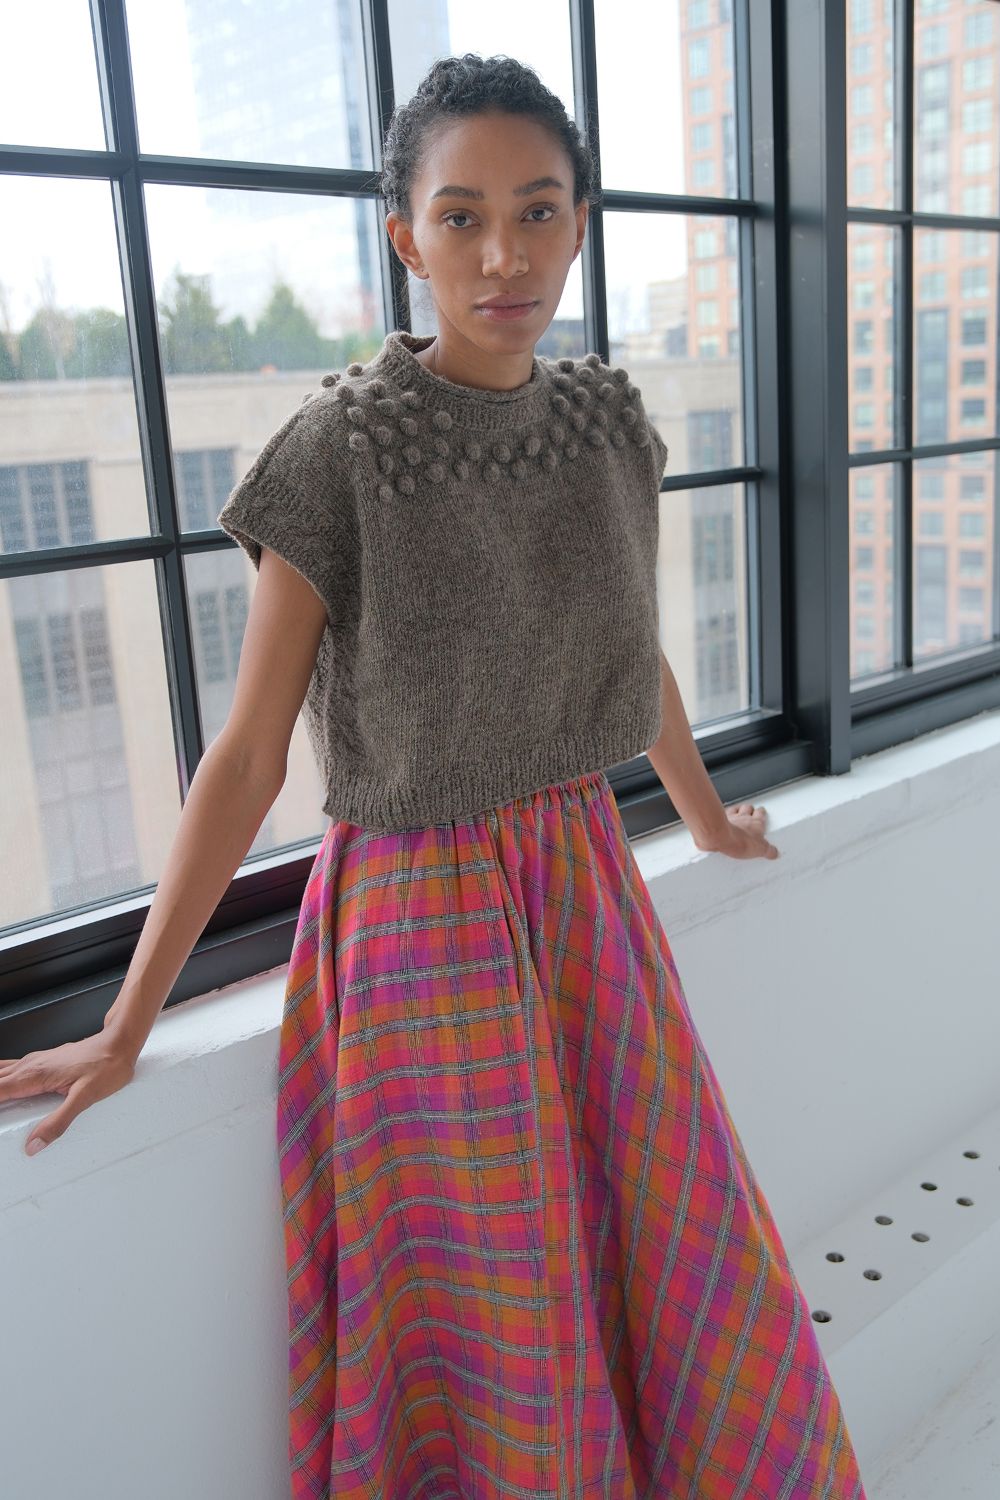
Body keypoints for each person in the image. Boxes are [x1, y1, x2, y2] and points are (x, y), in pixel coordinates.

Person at [4, 51, 866, 1500]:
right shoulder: (341, 446)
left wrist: (707, 816)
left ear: (582, 223)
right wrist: (125, 1022)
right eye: (461, 216)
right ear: (405, 235)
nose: (503, 255)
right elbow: (249, 751)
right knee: (504, 1317)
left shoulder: (607, 424)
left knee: (678, 1248)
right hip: (421, 926)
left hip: (588, 896)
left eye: (537, 211)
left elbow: (630, 652)